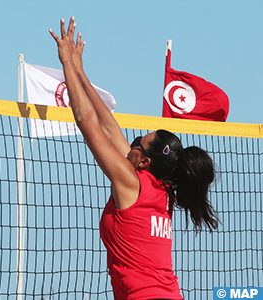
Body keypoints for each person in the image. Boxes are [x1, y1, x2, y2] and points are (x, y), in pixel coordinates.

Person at [50, 17, 219, 300]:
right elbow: (108, 126)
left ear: (144, 162)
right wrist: (80, 72)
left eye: (138, 143)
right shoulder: (162, 190)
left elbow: (87, 120)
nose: (131, 142)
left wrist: (66, 62)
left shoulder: (131, 183)